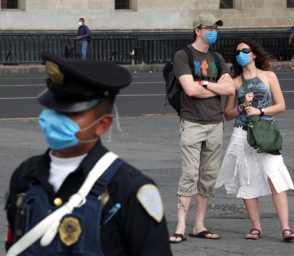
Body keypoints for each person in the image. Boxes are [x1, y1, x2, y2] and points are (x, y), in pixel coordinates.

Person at [5, 54, 173, 256]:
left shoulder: (128, 189)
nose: (56, 120)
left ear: (102, 125)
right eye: (53, 110)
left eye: (71, 114)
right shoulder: (25, 176)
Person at [215, 39, 294, 242]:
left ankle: (286, 228)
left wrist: (259, 110)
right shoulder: (235, 81)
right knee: (247, 178)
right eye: (237, 52)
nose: (241, 54)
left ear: (253, 54)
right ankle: (255, 227)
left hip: (265, 131)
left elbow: (281, 105)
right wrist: (242, 108)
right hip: (242, 133)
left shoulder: (269, 76)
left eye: (244, 50)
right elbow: (227, 113)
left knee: (275, 177)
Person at [169, 14, 234, 243]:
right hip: (192, 123)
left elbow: (231, 89)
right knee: (189, 174)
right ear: (197, 30)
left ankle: (199, 225)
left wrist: (205, 84)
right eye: (209, 28)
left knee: (208, 177)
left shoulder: (217, 57)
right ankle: (180, 226)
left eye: (216, 28)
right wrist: (216, 88)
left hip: (216, 124)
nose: (214, 31)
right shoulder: (183, 55)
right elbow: (190, 90)